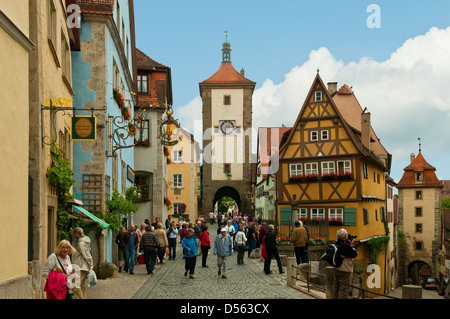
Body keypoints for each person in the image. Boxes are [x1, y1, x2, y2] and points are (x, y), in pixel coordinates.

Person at [333, 228, 358, 299]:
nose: (348, 235)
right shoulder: (346, 246)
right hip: (344, 270)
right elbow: (354, 254)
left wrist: (349, 244)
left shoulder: (335, 243)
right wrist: (352, 245)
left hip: (336, 268)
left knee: (336, 288)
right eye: (347, 234)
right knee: (344, 290)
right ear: (345, 237)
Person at [72, 227, 93, 299]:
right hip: (83, 266)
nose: (73, 234)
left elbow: (86, 255)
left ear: (76, 234)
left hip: (81, 266)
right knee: (82, 286)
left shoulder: (81, 243)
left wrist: (90, 266)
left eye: (73, 233)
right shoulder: (84, 241)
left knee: (75, 286)